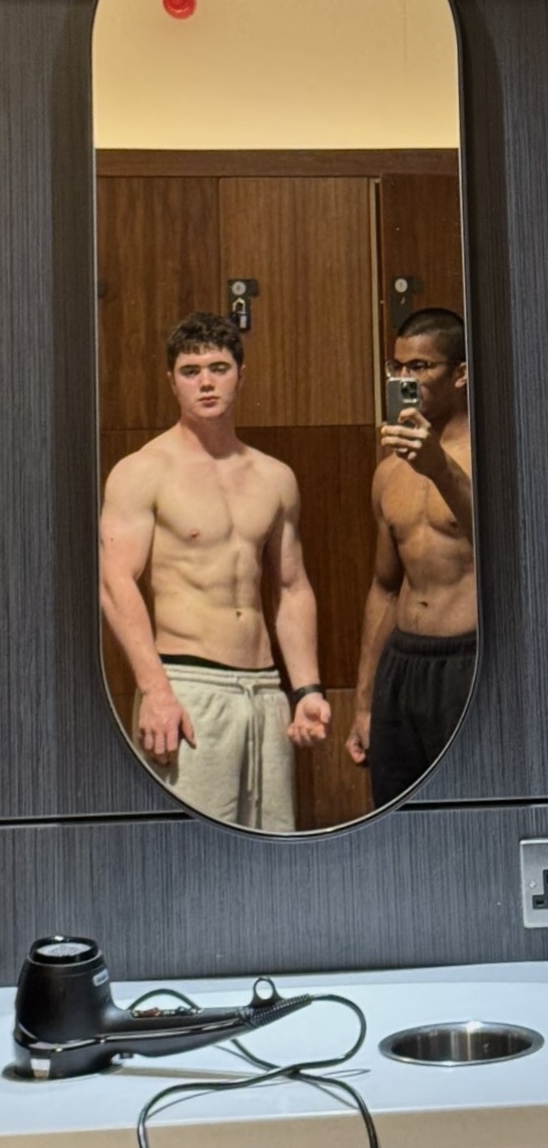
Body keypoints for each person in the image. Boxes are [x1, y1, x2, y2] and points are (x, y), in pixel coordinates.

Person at [99, 311, 330, 832]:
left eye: (218, 368)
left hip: (264, 690)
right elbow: (115, 584)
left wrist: (307, 689)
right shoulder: (143, 471)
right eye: (190, 371)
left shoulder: (275, 477)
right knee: (189, 852)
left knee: (272, 851)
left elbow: (292, 588)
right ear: (171, 381)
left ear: (241, 376)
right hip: (188, 687)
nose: (205, 382)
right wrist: (155, 690)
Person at [345, 307, 474, 808]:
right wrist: (364, 702)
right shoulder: (390, 471)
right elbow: (384, 586)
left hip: (468, 663)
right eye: (397, 367)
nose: (404, 379)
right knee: (398, 819)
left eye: (420, 367)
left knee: (467, 817)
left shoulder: (493, 454)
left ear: (460, 374)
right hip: (402, 664)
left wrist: (439, 468)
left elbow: (504, 553)